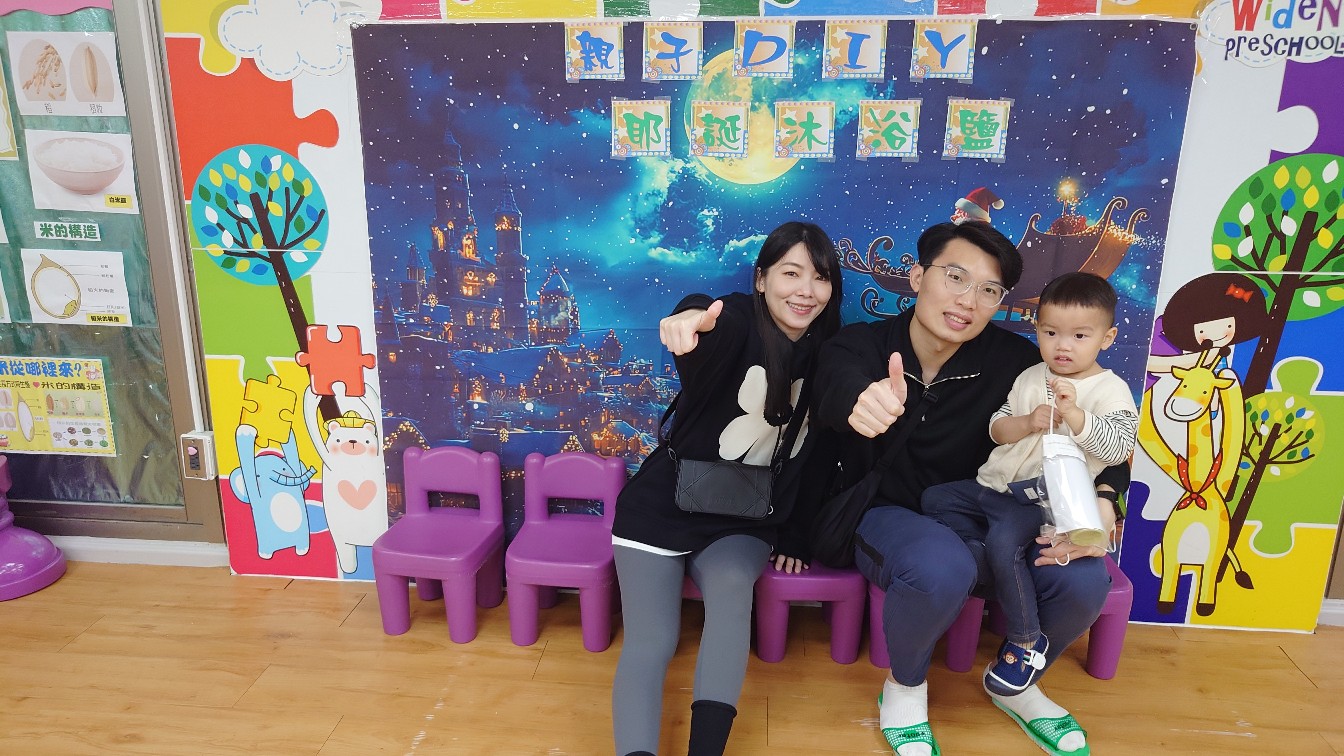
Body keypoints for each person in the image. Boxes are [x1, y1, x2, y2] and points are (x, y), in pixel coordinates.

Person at [812, 221, 1127, 756]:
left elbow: (1103, 432)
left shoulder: (1020, 365)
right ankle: (904, 688)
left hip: (991, 517)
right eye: (955, 277)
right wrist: (861, 402)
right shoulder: (862, 345)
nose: (968, 300)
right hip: (890, 516)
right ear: (918, 277)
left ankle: (1015, 682)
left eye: (989, 289)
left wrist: (1105, 499)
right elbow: (836, 385)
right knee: (942, 565)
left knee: (1082, 582)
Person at [610, 221, 844, 756]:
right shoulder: (737, 321)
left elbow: (817, 457)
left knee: (734, 592)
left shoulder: (831, 355)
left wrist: (796, 534)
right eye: (790, 273)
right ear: (761, 279)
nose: (806, 291)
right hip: (659, 509)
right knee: (652, 640)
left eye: (820, 277)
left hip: (746, 516)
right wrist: (689, 317)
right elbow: (706, 322)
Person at [921, 272, 1138, 696]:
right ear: (1036, 329)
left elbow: (1117, 449)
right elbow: (996, 428)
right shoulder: (1030, 376)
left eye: (1079, 336)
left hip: (1035, 502)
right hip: (992, 487)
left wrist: (1074, 415)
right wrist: (1025, 422)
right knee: (934, 499)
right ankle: (987, 552)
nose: (1063, 346)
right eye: (1051, 332)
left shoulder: (1111, 391)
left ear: (1107, 338)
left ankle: (1025, 639)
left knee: (1005, 544)